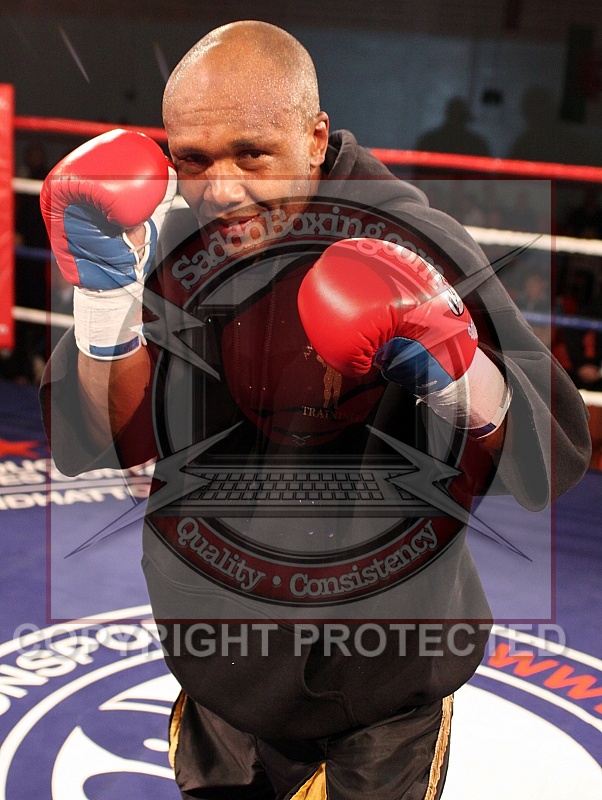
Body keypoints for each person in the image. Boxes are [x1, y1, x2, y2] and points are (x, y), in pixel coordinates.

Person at [40, 21, 591, 800]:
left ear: (315, 137)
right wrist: (104, 303)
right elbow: (98, 438)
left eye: (251, 154)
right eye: (192, 160)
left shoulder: (412, 242)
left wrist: (457, 374)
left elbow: (548, 460)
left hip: (372, 692)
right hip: (216, 665)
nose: (221, 188)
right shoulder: (170, 243)